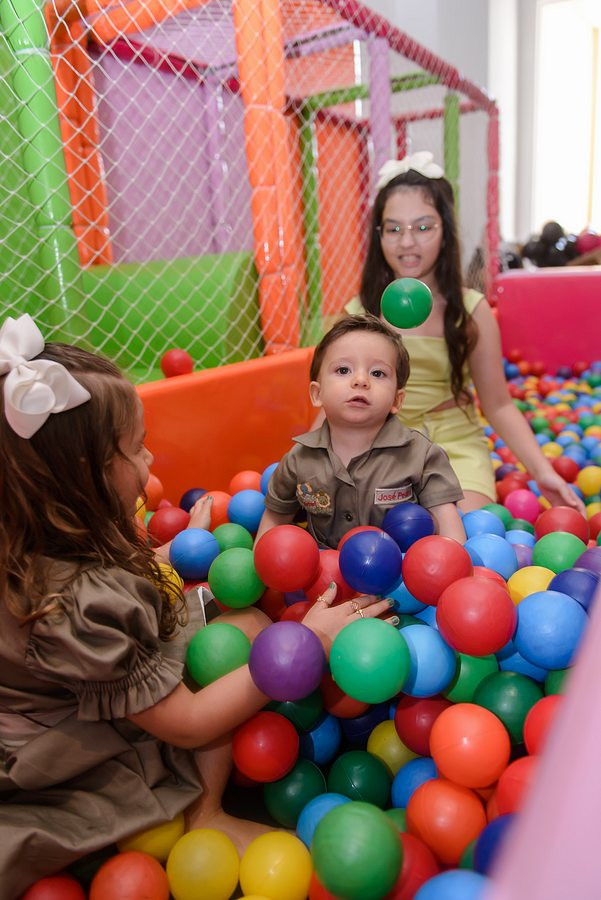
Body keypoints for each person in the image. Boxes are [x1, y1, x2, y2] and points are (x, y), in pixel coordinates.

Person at [0, 314, 396, 897]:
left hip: (80, 685)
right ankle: (204, 813)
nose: (150, 461)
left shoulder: (39, 535)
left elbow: (120, 578)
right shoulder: (77, 605)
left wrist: (172, 552)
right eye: (136, 449)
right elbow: (187, 724)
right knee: (245, 640)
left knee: (243, 619)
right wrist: (305, 644)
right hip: (71, 741)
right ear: (87, 477)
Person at [342, 151, 584, 514]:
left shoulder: (471, 310)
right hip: (376, 441)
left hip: (452, 443)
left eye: (423, 227)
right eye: (394, 229)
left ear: (445, 232)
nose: (407, 242)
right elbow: (334, 399)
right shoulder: (359, 313)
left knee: (460, 527)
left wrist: (543, 472)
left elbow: (498, 404)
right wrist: (306, 462)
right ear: (379, 236)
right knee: (374, 526)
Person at [256, 314, 466, 547]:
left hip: (400, 568)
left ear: (397, 400)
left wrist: (447, 564)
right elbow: (273, 522)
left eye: (377, 373)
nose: (360, 380)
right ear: (317, 394)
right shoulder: (299, 459)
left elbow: (450, 532)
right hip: (322, 567)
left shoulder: (421, 456)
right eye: (343, 370)